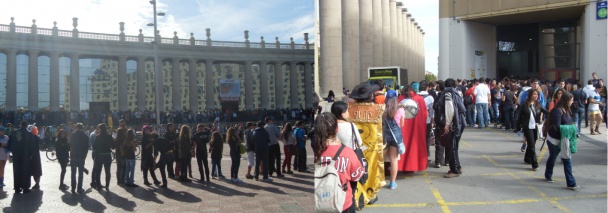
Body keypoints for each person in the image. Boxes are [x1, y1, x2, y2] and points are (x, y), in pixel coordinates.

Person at [312, 112, 364, 213]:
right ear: (336, 129)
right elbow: (357, 175)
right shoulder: (347, 152)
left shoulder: (317, 151)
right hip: (343, 202)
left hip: (322, 201)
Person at [544, 92, 579, 189]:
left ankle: (571, 183)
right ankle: (548, 174)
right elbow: (557, 126)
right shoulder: (557, 111)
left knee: (567, 160)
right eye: (571, 100)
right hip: (554, 139)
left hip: (564, 139)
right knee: (553, 157)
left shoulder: (568, 110)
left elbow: (568, 121)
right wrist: (569, 128)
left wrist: (573, 125)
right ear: (566, 100)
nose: (572, 102)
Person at [434, 79, 467, 178]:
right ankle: (457, 167)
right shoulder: (456, 92)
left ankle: (454, 170)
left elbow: (450, 109)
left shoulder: (448, 93)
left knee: (452, 147)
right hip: (459, 122)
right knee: (454, 146)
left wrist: (447, 124)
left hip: (453, 123)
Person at [516, 89, 549, 171]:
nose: (536, 96)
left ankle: (527, 158)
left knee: (532, 143)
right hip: (527, 127)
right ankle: (534, 164)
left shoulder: (538, 104)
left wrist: (555, 113)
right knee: (531, 145)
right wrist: (517, 127)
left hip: (536, 127)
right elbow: (519, 116)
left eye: (537, 94)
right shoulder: (524, 105)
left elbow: (546, 112)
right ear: (530, 95)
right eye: (534, 94)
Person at [398, 85, 428, 172]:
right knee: (415, 146)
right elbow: (425, 114)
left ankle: (402, 166)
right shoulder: (420, 99)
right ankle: (414, 166)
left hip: (403, 126)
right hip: (417, 127)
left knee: (403, 144)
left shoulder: (400, 99)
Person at [382, 90, 404, 189]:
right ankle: (392, 183)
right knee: (393, 160)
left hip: (386, 136)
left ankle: (377, 180)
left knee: (379, 159)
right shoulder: (400, 110)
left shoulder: (382, 109)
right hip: (396, 136)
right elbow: (402, 125)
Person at [92, 123, 115, 190]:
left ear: (100, 129)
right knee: (107, 171)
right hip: (107, 155)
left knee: (98, 171)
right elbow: (113, 147)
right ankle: (107, 185)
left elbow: (94, 146)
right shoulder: (109, 136)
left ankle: (98, 185)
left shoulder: (98, 137)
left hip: (99, 155)